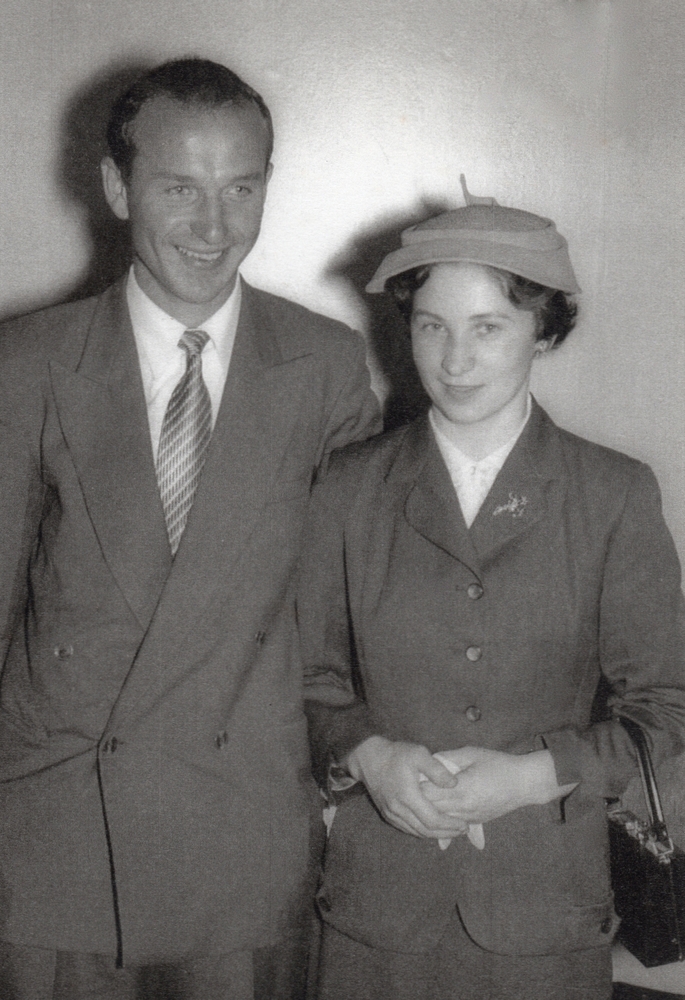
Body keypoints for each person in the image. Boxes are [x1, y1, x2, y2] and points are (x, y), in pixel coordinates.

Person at [0, 58, 380, 1000]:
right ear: (116, 187)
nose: (214, 226)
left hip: (242, 838)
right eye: (179, 189)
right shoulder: (17, 364)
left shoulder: (324, 364)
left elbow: (352, 611)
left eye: (241, 189)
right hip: (52, 841)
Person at [298, 191, 685, 1000]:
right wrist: (369, 755)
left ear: (543, 331)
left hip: (543, 913)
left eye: (488, 327)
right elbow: (307, 678)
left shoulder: (611, 494)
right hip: (375, 913)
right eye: (431, 325)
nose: (453, 360)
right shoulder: (347, 486)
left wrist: (534, 776)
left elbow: (667, 707)